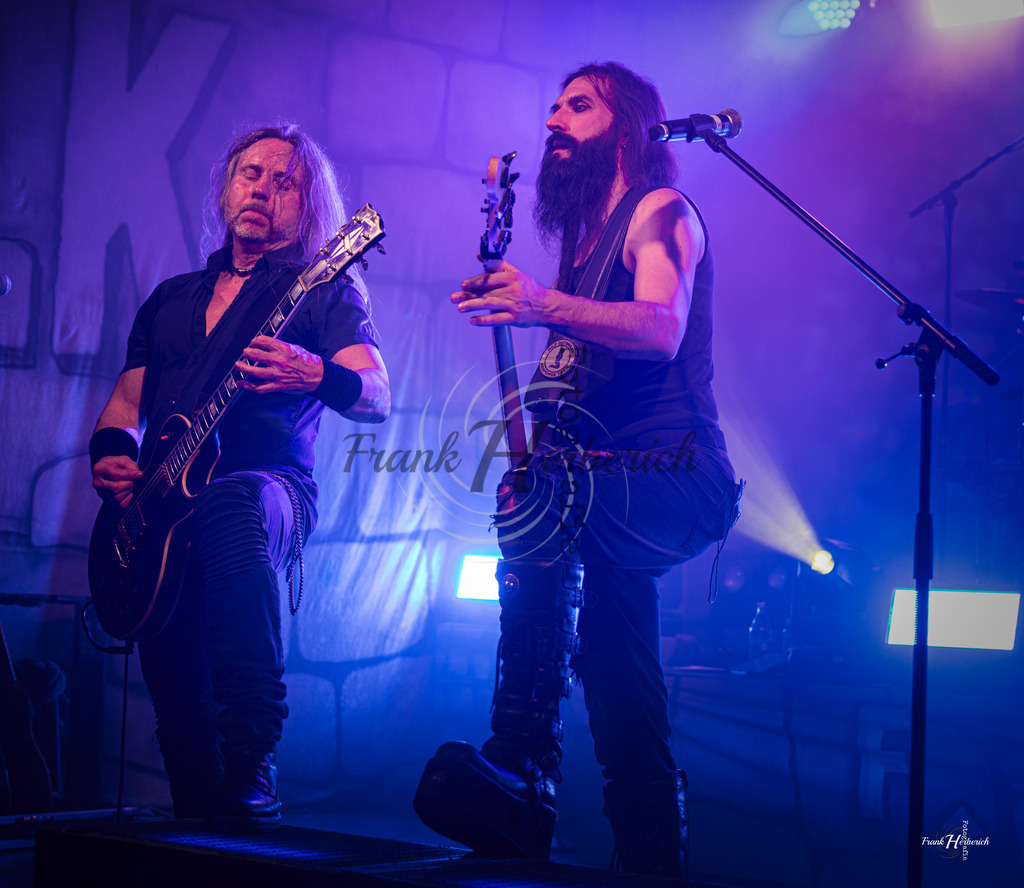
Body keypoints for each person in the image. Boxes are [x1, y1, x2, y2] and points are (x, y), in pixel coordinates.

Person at [413, 63, 742, 879]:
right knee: (617, 666)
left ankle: (524, 764)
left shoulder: (661, 212)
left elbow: (662, 327)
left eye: (579, 106)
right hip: (604, 484)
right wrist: (535, 461)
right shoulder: (578, 249)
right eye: (553, 106)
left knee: (551, 506)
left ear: (627, 129)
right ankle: (652, 855)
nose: (555, 119)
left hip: (679, 476)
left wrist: (539, 304)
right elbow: (566, 387)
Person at [89, 123, 390, 828]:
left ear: (306, 205)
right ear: (226, 187)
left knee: (232, 502)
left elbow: (377, 395)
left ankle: (256, 750)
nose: (262, 187)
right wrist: (113, 453)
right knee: (192, 763)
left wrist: (317, 372)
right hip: (162, 507)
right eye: (250, 172)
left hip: (268, 489)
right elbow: (126, 406)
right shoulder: (169, 299)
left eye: (285, 180)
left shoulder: (321, 289)